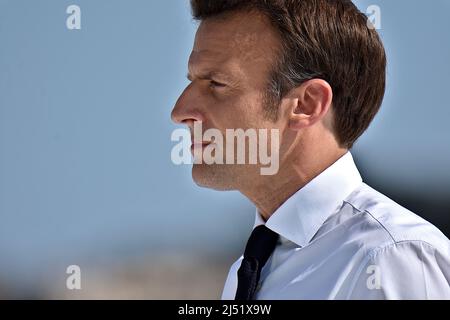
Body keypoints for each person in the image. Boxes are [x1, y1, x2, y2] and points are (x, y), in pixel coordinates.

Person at [171, 0, 450, 299]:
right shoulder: (246, 271)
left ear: (307, 104)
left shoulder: (391, 257)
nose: (180, 111)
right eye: (192, 81)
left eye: (216, 83)